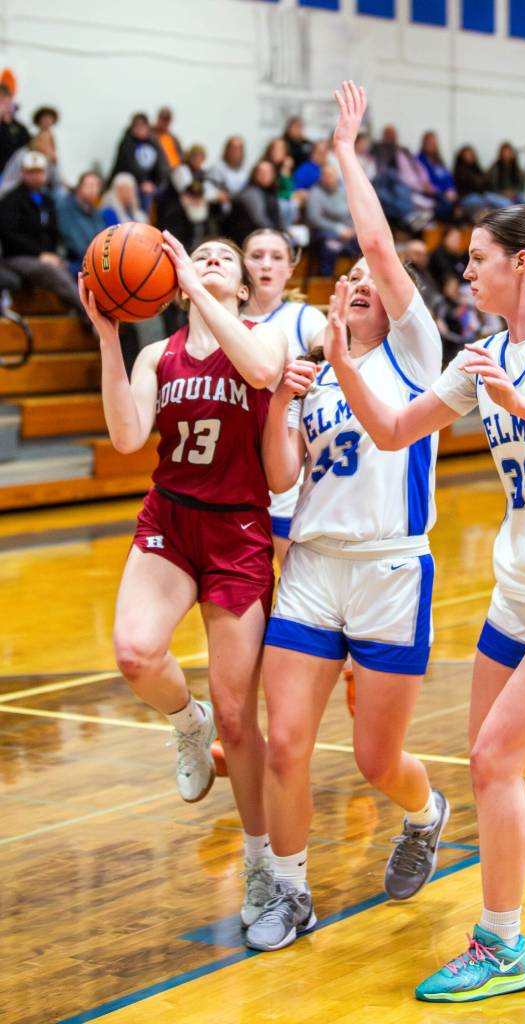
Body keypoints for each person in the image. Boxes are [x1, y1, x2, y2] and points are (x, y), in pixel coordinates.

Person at [325, 202, 525, 1002]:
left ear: (522, 264)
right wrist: (339, 359)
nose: (465, 270)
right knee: (488, 753)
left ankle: (502, 944)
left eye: (478, 258)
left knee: (492, 758)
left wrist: (523, 403)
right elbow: (397, 430)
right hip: (520, 588)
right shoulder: (478, 359)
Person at [244, 81, 449, 954]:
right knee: (286, 742)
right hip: (314, 569)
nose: (363, 281)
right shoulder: (311, 368)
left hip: (391, 570)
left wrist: (344, 151)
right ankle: (290, 892)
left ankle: (425, 809)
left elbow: (372, 238)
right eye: (351, 283)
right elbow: (281, 475)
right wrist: (276, 407)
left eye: (376, 281)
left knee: (374, 762)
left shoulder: (415, 350)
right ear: (333, 303)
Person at [78, 232, 287, 926]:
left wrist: (194, 290)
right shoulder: (156, 355)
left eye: (225, 258)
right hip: (172, 515)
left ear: (244, 283)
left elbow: (259, 373)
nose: (211, 261)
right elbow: (127, 437)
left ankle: (260, 861)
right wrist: (109, 336)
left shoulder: (266, 340)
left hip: (239, 532)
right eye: (198, 256)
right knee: (136, 652)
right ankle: (184, 722)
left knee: (240, 715)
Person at [240, 227, 327, 564]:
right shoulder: (226, 321)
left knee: (292, 586)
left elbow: (337, 351)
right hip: (235, 468)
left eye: (276, 258)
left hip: (284, 460)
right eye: (256, 256)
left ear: (290, 270)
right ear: (242, 264)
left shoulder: (304, 317)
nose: (265, 265)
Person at [0, 150, 83, 317]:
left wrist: (54, 255)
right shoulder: (11, 200)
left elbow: (53, 233)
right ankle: (88, 315)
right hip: (17, 257)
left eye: (39, 172)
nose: (36, 176)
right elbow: (9, 235)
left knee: (78, 268)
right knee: (50, 271)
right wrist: (40, 254)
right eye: (31, 172)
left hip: (46, 256)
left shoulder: (47, 201)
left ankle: (79, 313)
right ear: (23, 173)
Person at [306, 163, 360, 275]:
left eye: (331, 176)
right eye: (326, 176)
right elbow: (314, 218)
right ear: (321, 177)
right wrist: (337, 229)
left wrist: (352, 229)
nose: (329, 179)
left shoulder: (344, 189)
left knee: (364, 243)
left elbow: (354, 212)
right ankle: (325, 281)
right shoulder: (315, 192)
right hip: (323, 232)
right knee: (329, 247)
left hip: (348, 232)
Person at [109, 113, 168, 208]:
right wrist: (143, 181)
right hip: (131, 183)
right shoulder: (127, 142)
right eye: (137, 126)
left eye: (143, 126)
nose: (140, 129)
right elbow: (129, 164)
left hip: (149, 184)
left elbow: (161, 164)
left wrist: (157, 184)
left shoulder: (153, 142)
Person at [56, 171, 105, 274]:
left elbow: (102, 239)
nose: (93, 190)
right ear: (79, 187)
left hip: (94, 261)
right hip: (73, 260)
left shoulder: (97, 213)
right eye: (89, 185)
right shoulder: (66, 207)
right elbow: (73, 241)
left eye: (96, 186)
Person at [228, 161, 283, 245]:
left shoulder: (270, 192)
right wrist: (280, 236)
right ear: (254, 174)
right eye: (261, 172)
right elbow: (260, 220)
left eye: (268, 172)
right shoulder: (250, 193)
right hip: (247, 241)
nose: (264, 175)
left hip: (261, 237)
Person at [453, 145, 512, 213]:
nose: (469, 156)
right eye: (467, 154)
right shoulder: (460, 171)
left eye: (471, 154)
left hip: (482, 195)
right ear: (461, 156)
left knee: (505, 203)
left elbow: (485, 183)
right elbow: (475, 184)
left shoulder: (476, 169)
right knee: (488, 204)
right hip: (468, 197)